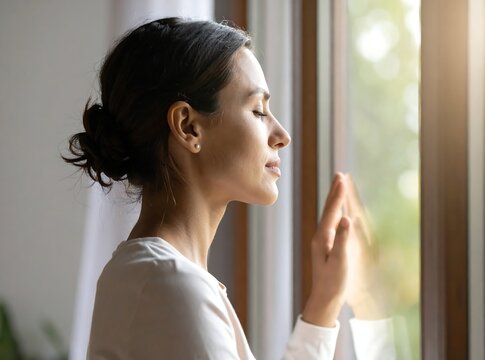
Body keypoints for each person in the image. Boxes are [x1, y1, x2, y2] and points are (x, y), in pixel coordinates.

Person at [64, 18, 393, 359]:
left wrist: (325, 300)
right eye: (258, 110)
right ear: (188, 127)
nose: (282, 135)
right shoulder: (169, 284)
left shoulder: (154, 277)